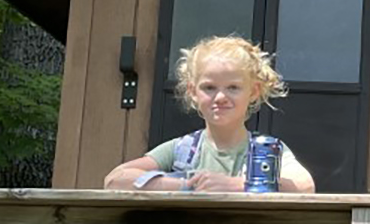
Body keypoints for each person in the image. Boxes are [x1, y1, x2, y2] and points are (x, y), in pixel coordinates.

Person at [103, 36, 317, 192]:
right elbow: (115, 179)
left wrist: (238, 186)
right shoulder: (182, 150)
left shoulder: (266, 150)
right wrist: (186, 186)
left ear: (253, 92)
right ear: (192, 92)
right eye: (209, 87)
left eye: (233, 87)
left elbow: (305, 186)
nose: (221, 97)